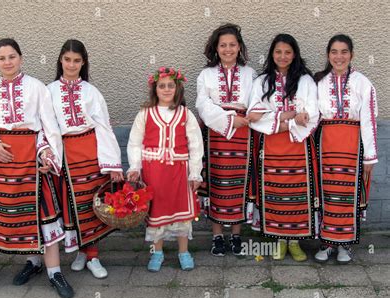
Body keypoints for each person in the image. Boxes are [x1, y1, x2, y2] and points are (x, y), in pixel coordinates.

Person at [0, 38, 73, 298]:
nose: (7, 62)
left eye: (12, 56)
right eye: (2, 58)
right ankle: (33, 262)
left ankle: (55, 272)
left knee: (44, 216)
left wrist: (47, 156)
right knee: (20, 215)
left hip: (33, 158)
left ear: (21, 58)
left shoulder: (37, 87)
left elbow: (48, 125)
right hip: (4, 163)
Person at [47, 39, 123, 279]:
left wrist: (111, 163)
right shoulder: (48, 91)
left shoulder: (91, 92)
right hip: (66, 155)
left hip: (91, 152)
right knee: (72, 205)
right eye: (67, 60)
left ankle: (93, 256)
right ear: (61, 60)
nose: (71, 65)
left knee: (93, 204)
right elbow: (46, 127)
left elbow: (104, 126)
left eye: (77, 60)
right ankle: (81, 252)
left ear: (83, 62)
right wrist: (49, 156)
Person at [247, 34, 320, 261]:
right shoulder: (261, 82)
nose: (282, 56)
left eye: (287, 52)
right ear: (272, 54)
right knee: (275, 193)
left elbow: (312, 115)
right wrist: (289, 118)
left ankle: (295, 242)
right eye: (278, 52)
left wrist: (276, 120)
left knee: (296, 193)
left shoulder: (306, 81)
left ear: (294, 54)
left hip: (298, 146)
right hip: (271, 148)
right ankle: (279, 240)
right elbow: (254, 116)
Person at [127, 67, 203, 272]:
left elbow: (196, 144)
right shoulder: (145, 114)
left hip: (179, 172)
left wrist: (195, 172)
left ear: (177, 89)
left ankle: (183, 252)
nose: (167, 89)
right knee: (156, 214)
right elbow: (135, 142)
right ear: (155, 89)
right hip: (153, 173)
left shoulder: (185, 114)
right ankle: (157, 253)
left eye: (171, 86)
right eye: (162, 86)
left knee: (182, 214)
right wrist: (135, 166)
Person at [314, 34, 378, 263]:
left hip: (352, 145)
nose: (339, 56)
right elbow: (314, 117)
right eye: (334, 52)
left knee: (348, 195)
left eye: (344, 52)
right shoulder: (319, 82)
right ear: (328, 55)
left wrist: (370, 156)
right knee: (327, 193)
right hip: (327, 145)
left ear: (352, 54)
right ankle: (327, 242)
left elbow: (369, 119)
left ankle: (346, 244)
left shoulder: (362, 82)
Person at [196, 23, 257, 257]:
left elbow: (256, 102)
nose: (228, 49)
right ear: (216, 47)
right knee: (217, 183)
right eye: (223, 45)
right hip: (215, 135)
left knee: (239, 185)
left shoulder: (250, 74)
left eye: (232, 45)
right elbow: (203, 105)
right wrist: (230, 121)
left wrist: (247, 119)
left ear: (239, 47)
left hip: (244, 134)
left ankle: (237, 235)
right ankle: (217, 236)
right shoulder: (206, 74)